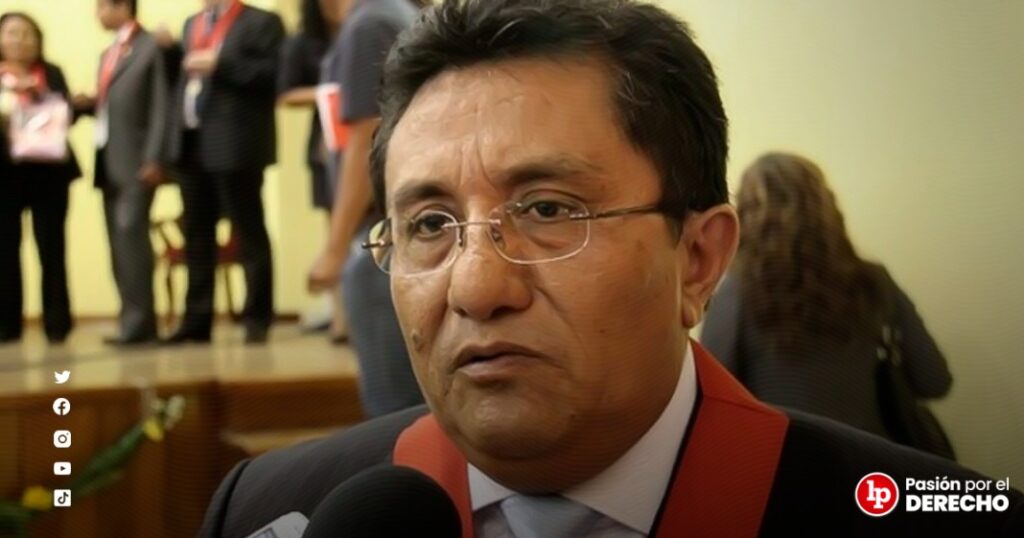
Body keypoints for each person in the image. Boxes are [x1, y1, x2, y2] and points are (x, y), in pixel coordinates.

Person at [200, 1, 1024, 537]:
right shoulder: (267, 510)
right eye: (429, 225)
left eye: (548, 210)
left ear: (698, 260)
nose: (476, 287)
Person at [700, 152, 953, 442]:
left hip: (784, 460)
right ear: (826, 207)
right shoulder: (873, 282)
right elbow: (934, 380)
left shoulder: (737, 292)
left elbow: (709, 400)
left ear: (745, 215)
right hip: (870, 461)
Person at [306, 0, 424, 417]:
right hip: (399, 229)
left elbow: (365, 136)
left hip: (380, 238)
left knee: (395, 412)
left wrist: (335, 248)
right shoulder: (392, 12)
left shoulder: (369, 24)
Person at [161, 0, 284, 345]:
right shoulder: (192, 24)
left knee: (248, 233)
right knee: (196, 236)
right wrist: (170, 52)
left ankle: (256, 318)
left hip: (236, 144)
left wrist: (221, 64)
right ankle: (196, 321)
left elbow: (272, 74)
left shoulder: (262, 22)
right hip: (192, 144)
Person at [73, 0, 168, 346]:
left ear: (123, 6)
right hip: (108, 159)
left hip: (137, 160)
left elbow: (161, 105)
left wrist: (155, 156)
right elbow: (114, 104)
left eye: (101, 6)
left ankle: (141, 323)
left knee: (131, 236)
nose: (97, 14)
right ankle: (131, 319)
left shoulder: (150, 47)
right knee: (117, 242)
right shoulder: (109, 52)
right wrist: (91, 103)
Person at [0, 12, 81, 344]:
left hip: (49, 174)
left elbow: (67, 114)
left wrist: (42, 95)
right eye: (12, 33)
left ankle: (57, 323)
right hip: (5, 174)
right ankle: (7, 325)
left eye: (27, 34)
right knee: (5, 250)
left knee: (52, 248)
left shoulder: (51, 73)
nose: (20, 40)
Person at [276, 0, 348, 341]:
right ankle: (341, 319)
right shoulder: (302, 43)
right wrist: (329, 95)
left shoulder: (365, 27)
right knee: (336, 230)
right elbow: (285, 94)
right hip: (326, 142)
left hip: (369, 138)